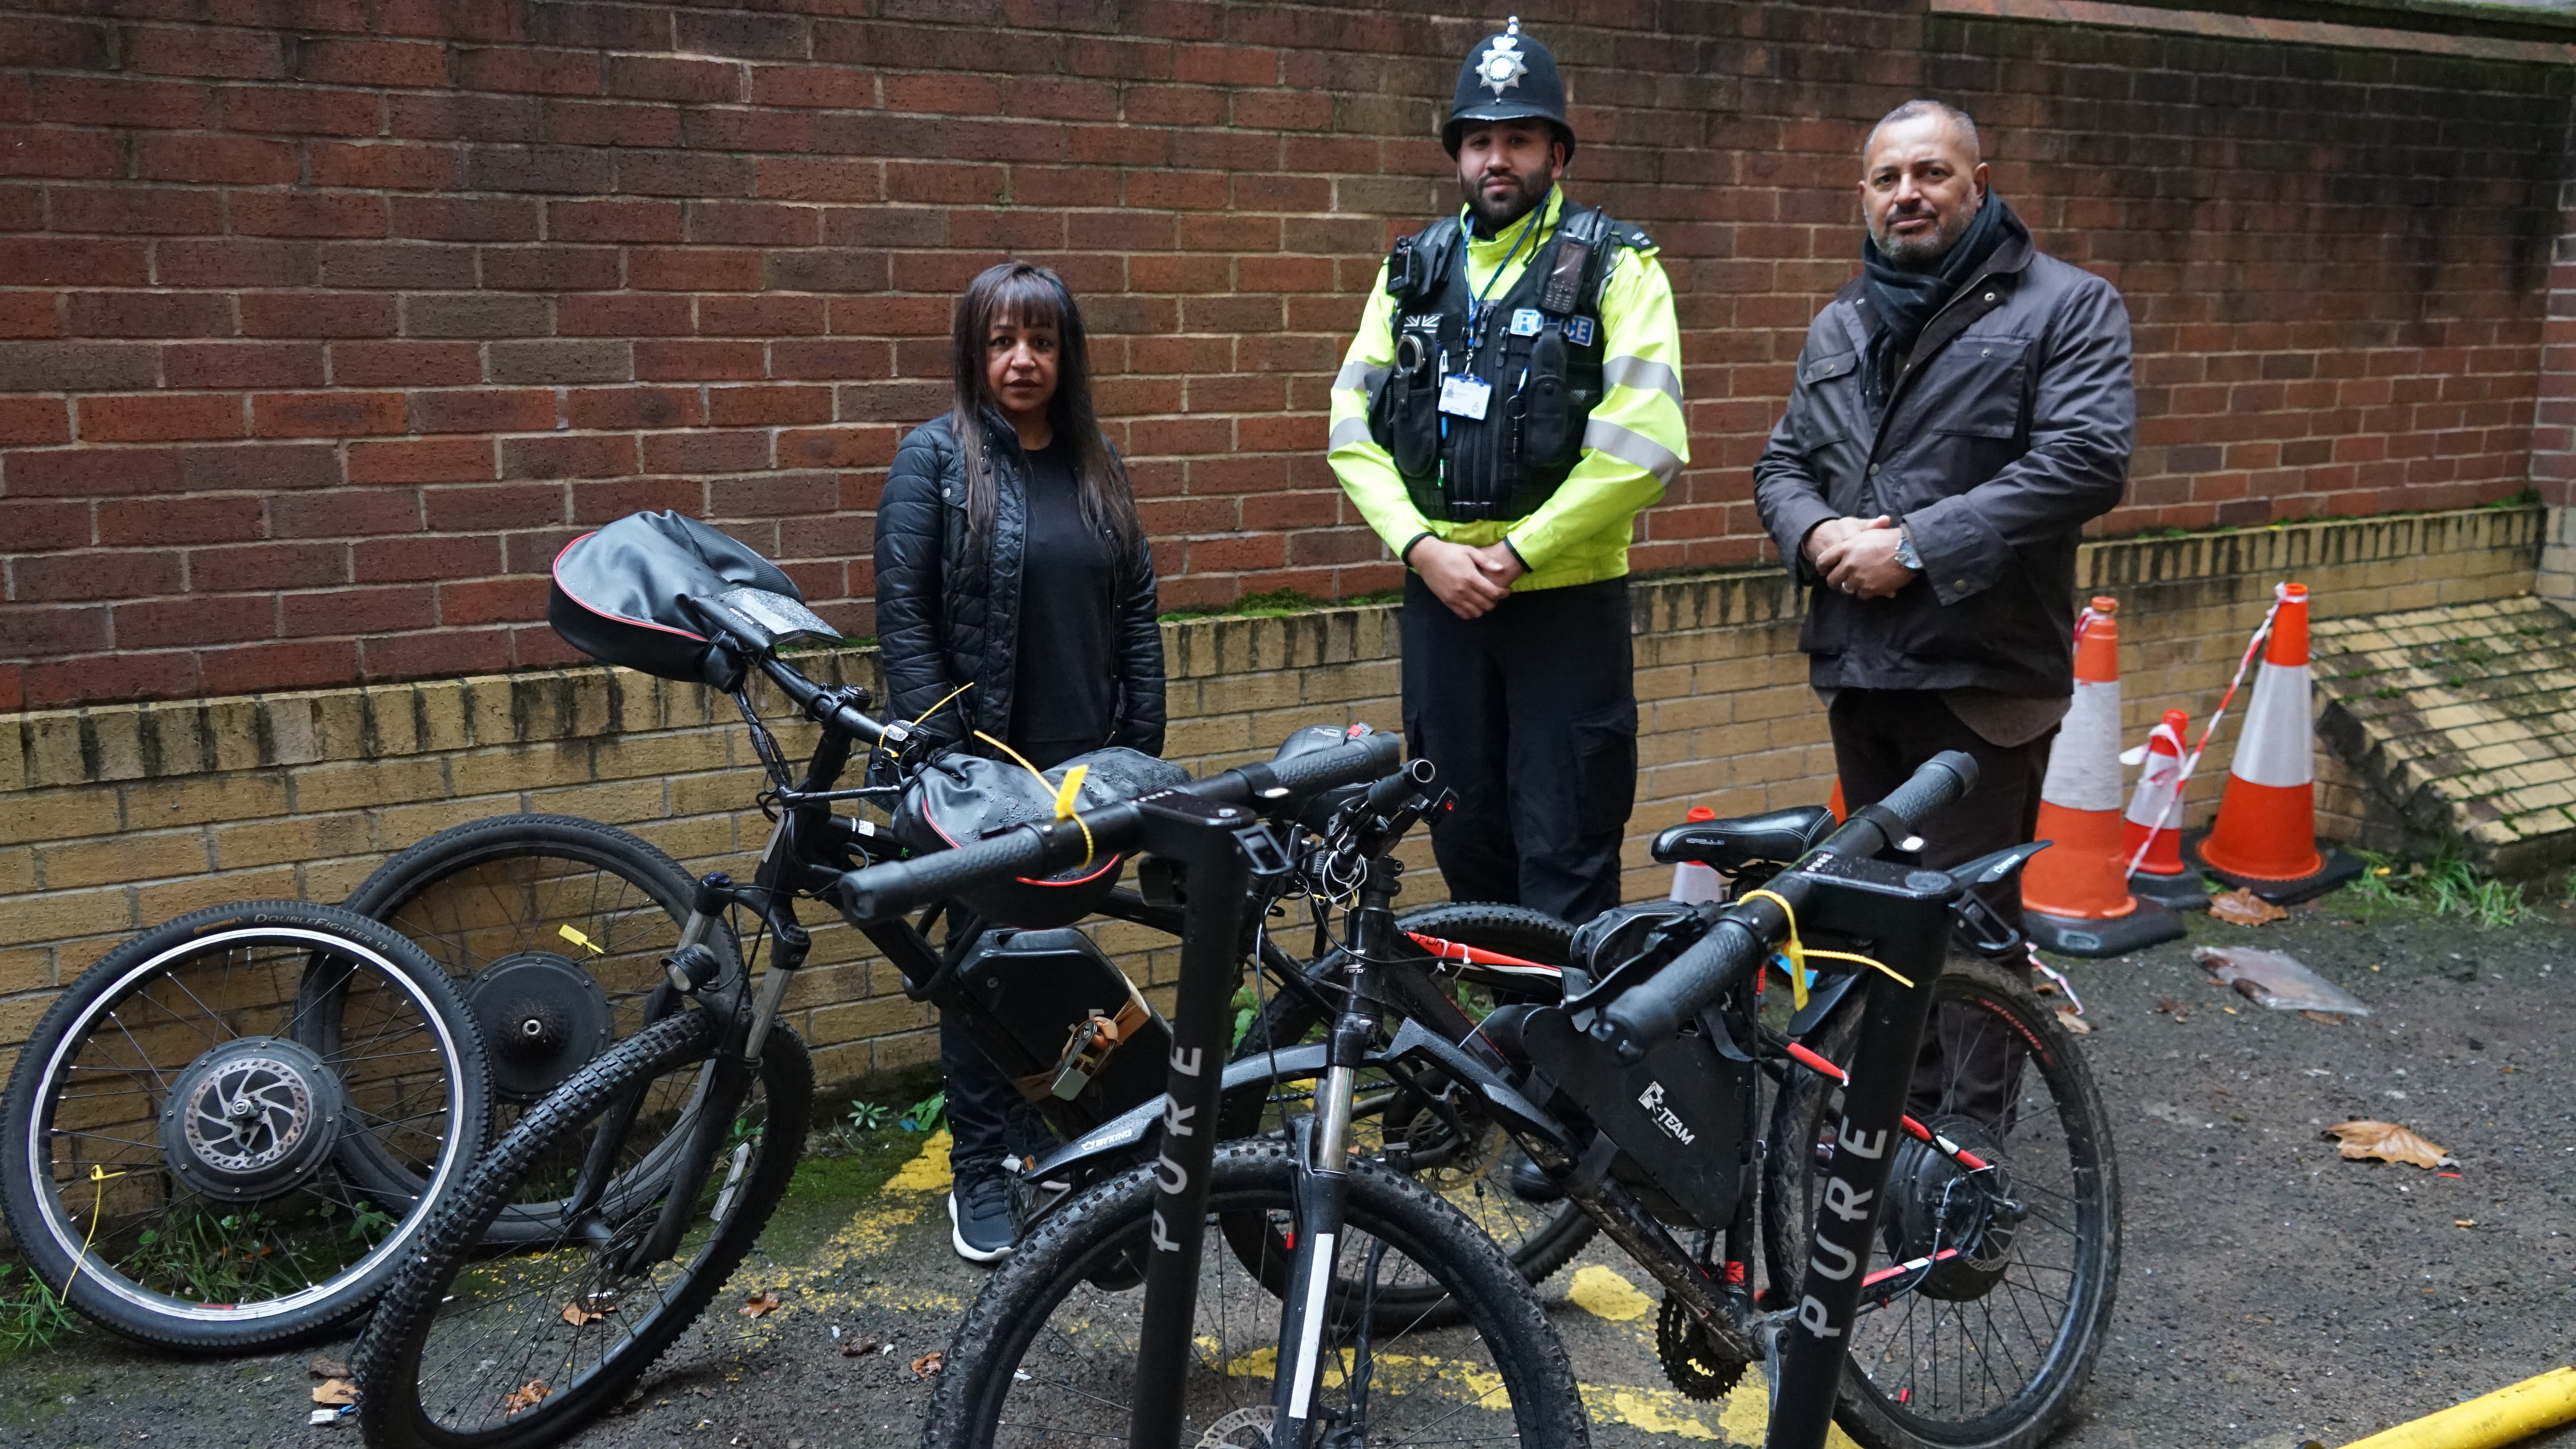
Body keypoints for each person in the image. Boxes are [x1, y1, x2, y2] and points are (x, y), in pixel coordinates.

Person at [1752, 100, 2134, 1118]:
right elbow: (1786, 462)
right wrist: (1817, 536)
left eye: (1931, 172)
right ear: (1864, 196)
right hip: (1860, 665)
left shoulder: (2068, 306)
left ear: (1977, 181)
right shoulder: (1843, 322)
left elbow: (2086, 460)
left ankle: (1965, 1138)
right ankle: (1891, 1105)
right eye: (1887, 178)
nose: (1907, 194)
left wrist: (1916, 547)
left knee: (1968, 916)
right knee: (1877, 910)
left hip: (1982, 671)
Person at [1326, 18, 1688, 928]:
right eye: (1480, 140)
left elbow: (1644, 438)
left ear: (1556, 153)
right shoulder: (1411, 272)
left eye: (1519, 139)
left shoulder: (1620, 264)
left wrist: (1520, 552)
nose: (1499, 158)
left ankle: (1572, 1060)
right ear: (1457, 155)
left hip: (1564, 603)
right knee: (1464, 832)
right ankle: (1496, 1058)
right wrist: (1421, 547)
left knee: (1565, 839)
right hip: (1441, 601)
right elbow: (1349, 427)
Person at [875, 261, 1164, 1262]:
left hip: (1082, 763)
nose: (1022, 359)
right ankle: (978, 1167)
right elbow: (905, 622)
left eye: (1040, 341)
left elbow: (1137, 610)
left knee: (1061, 962)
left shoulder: (1096, 461)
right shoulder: (934, 462)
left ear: (1067, 354)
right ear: (974, 351)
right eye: (1001, 340)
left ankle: (1067, 1136)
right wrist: (953, 771)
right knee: (981, 966)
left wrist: (1142, 745)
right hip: (984, 769)